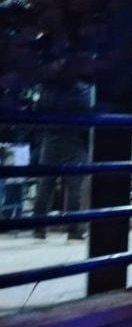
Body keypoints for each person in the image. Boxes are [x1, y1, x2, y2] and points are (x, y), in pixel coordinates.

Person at [32, 82, 91, 240]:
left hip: (50, 141)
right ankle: (73, 229)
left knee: (45, 186)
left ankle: (39, 228)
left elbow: (37, 115)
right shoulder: (82, 91)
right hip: (74, 141)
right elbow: (87, 120)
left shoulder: (47, 89)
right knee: (74, 188)